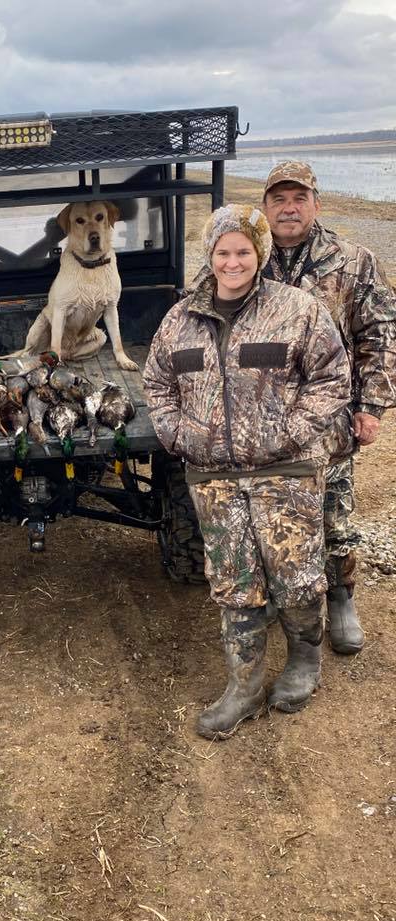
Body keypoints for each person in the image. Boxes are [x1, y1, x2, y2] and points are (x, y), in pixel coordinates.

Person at [143, 204, 351, 740]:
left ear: (258, 255)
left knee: (295, 573)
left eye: (242, 251)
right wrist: (181, 435)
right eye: (222, 252)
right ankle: (245, 684)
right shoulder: (180, 318)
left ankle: (304, 662)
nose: (232, 262)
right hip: (212, 478)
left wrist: (284, 434)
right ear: (209, 257)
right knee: (233, 580)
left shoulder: (296, 309)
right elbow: (157, 386)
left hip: (285, 471)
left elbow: (332, 377)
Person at [261, 161, 396, 654]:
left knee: (333, 513)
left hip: (330, 416)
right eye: (279, 199)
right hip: (265, 421)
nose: (289, 207)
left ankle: (341, 598)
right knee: (272, 514)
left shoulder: (352, 261)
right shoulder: (242, 257)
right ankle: (287, 601)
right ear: (265, 208)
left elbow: (380, 335)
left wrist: (372, 406)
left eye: (299, 198)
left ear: (317, 203)